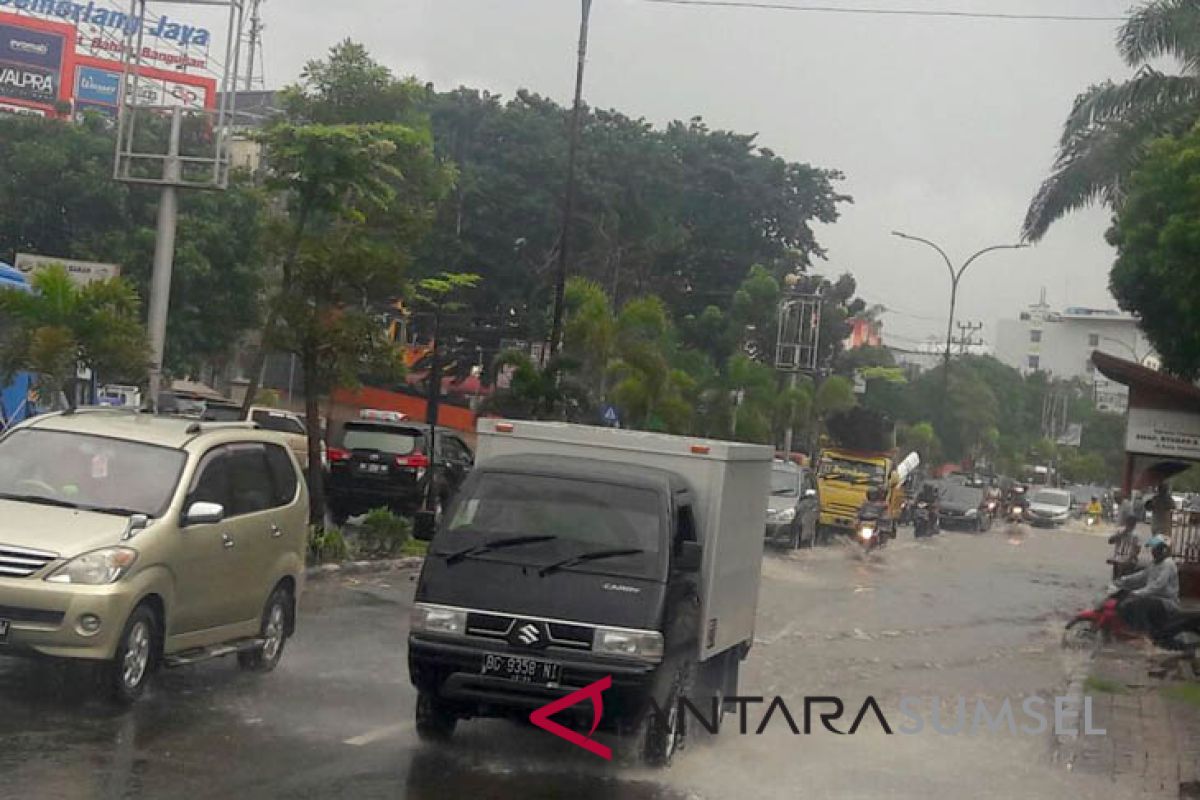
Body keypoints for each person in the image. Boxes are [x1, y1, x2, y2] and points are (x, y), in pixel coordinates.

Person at [1115, 535, 1179, 639]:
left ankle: (1144, 633)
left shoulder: (1168, 564)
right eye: (1153, 549)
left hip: (1166, 601)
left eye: (1156, 549)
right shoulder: (1154, 563)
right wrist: (1122, 580)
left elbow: (1157, 586)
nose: (1153, 552)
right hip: (1154, 598)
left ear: (1163, 550)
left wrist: (1137, 593)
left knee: (1141, 603)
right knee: (1126, 602)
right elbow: (1141, 576)